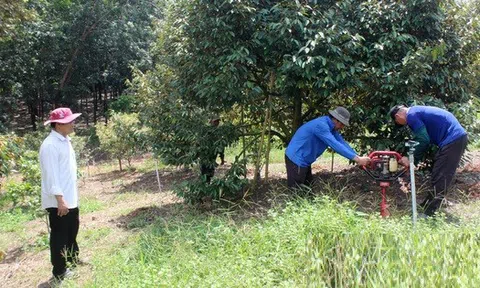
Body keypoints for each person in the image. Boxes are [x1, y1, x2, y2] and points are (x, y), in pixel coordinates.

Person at [389, 104, 468, 216]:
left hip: (453, 139)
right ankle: (426, 205)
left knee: (441, 176)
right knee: (438, 173)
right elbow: (423, 139)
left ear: (397, 116)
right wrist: (413, 161)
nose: (403, 125)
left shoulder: (411, 115)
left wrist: (410, 159)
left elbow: (423, 139)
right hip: (453, 139)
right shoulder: (416, 111)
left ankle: (429, 213)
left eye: (397, 122)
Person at [39, 107, 82, 283]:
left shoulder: (65, 140)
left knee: (72, 231)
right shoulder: (50, 145)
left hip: (69, 197)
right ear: (58, 125)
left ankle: (72, 260)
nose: (73, 123)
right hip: (59, 201)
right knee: (59, 236)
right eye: (69, 121)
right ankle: (59, 271)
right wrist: (60, 199)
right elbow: (51, 175)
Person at [285, 106, 371, 188]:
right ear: (336, 120)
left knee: (307, 190)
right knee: (296, 192)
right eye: (342, 124)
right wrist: (357, 159)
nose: (342, 127)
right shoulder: (321, 126)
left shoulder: (331, 127)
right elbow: (335, 144)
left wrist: (358, 157)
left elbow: (341, 143)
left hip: (304, 160)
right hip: (296, 159)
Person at [199, 115, 225, 183]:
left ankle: (207, 184)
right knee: (204, 171)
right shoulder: (205, 131)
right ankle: (204, 185)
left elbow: (221, 147)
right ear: (211, 122)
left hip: (212, 156)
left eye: (218, 121)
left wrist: (222, 158)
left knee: (210, 172)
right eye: (215, 121)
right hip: (204, 156)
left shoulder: (218, 133)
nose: (217, 123)